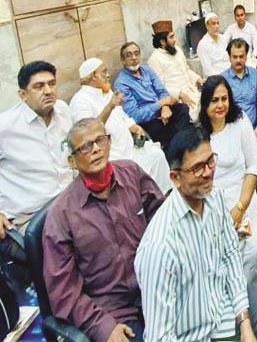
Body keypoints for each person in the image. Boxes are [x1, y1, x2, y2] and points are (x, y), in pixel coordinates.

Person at [135, 128, 257, 342]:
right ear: (175, 177)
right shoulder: (161, 245)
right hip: (194, 334)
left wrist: (244, 320)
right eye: (197, 168)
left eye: (210, 161)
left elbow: (230, 254)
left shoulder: (214, 197)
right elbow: (160, 336)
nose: (208, 172)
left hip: (222, 305)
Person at [43, 118, 165, 342]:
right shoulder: (61, 215)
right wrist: (101, 326)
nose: (96, 149)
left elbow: (162, 219)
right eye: (86, 146)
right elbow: (63, 291)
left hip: (156, 289)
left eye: (100, 140)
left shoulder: (132, 173)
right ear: (72, 160)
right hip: (113, 313)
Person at [0, 61, 73, 239]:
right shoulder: (3, 128)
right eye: (39, 86)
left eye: (52, 84)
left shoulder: (62, 110)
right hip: (31, 222)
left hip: (70, 204)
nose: (48, 91)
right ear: (23, 94)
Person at [198, 75, 257, 294]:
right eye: (214, 100)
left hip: (243, 195)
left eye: (224, 98)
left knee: (254, 248)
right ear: (205, 104)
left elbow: (253, 166)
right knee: (216, 254)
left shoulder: (239, 121)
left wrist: (240, 207)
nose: (221, 105)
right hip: (211, 202)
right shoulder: (199, 132)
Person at [70, 58, 173, 193]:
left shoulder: (106, 91)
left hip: (130, 149)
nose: (108, 75)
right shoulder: (80, 101)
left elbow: (122, 115)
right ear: (94, 75)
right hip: (113, 157)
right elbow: (88, 133)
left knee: (157, 156)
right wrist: (110, 106)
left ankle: (163, 197)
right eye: (104, 71)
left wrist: (133, 126)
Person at [114, 41, 192, 150]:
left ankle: (179, 145)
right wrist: (160, 104)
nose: (134, 57)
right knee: (169, 129)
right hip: (148, 121)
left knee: (183, 109)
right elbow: (134, 115)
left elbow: (162, 91)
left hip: (164, 112)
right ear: (123, 60)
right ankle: (180, 146)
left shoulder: (147, 70)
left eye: (136, 53)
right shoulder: (121, 83)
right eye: (129, 55)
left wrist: (165, 107)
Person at [221, 38, 257, 163]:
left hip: (256, 132)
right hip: (234, 137)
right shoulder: (222, 80)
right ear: (229, 57)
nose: (238, 60)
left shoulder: (254, 74)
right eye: (234, 57)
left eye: (241, 56)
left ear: (246, 56)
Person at [148, 20, 203, 121]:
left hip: (192, 91)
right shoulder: (154, 59)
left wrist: (199, 79)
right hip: (177, 99)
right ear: (162, 42)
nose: (175, 40)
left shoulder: (177, 50)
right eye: (171, 37)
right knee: (197, 116)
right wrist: (180, 94)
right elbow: (160, 87)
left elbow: (186, 70)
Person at [196, 12, 231, 76]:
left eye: (218, 23)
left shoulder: (223, 38)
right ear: (207, 26)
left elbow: (229, 59)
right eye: (213, 24)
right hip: (216, 79)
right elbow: (208, 71)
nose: (217, 26)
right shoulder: (202, 45)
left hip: (229, 74)